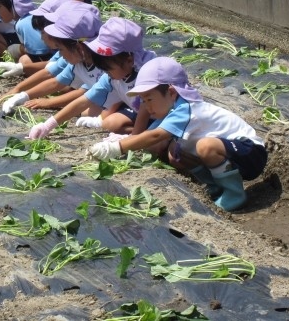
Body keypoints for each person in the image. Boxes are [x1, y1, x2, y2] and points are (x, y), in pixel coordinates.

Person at [88, 57, 268, 212]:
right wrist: (120, 143)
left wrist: (116, 148)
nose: (147, 107)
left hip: (251, 153)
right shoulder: (172, 111)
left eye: (149, 99)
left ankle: (234, 194)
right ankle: (213, 186)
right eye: (143, 101)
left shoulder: (187, 109)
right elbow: (148, 139)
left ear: (172, 93)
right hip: (232, 157)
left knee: (205, 146)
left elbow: (155, 136)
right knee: (175, 153)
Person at [27, 17, 157, 139]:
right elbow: (85, 99)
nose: (106, 72)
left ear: (129, 60)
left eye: (108, 68)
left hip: (164, 119)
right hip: (146, 115)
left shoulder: (146, 76)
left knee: (155, 145)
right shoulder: (113, 76)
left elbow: (146, 108)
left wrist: (132, 138)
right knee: (110, 123)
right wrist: (48, 125)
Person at [0, 0, 71, 80]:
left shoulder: (75, 52)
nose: (41, 37)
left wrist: (22, 68)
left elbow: (56, 77)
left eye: (43, 32)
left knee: (24, 60)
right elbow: (52, 64)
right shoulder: (63, 50)